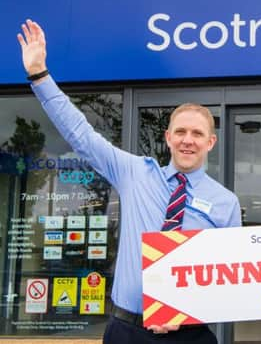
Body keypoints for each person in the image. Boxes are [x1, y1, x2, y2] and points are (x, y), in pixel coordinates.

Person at [17, 20, 241, 344]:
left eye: (197, 133)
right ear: (167, 138)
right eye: (180, 132)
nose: (187, 140)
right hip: (127, 331)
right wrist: (39, 75)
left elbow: (230, 279)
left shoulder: (225, 203)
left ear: (211, 142)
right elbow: (81, 135)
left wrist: (187, 311)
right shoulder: (134, 172)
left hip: (190, 336)